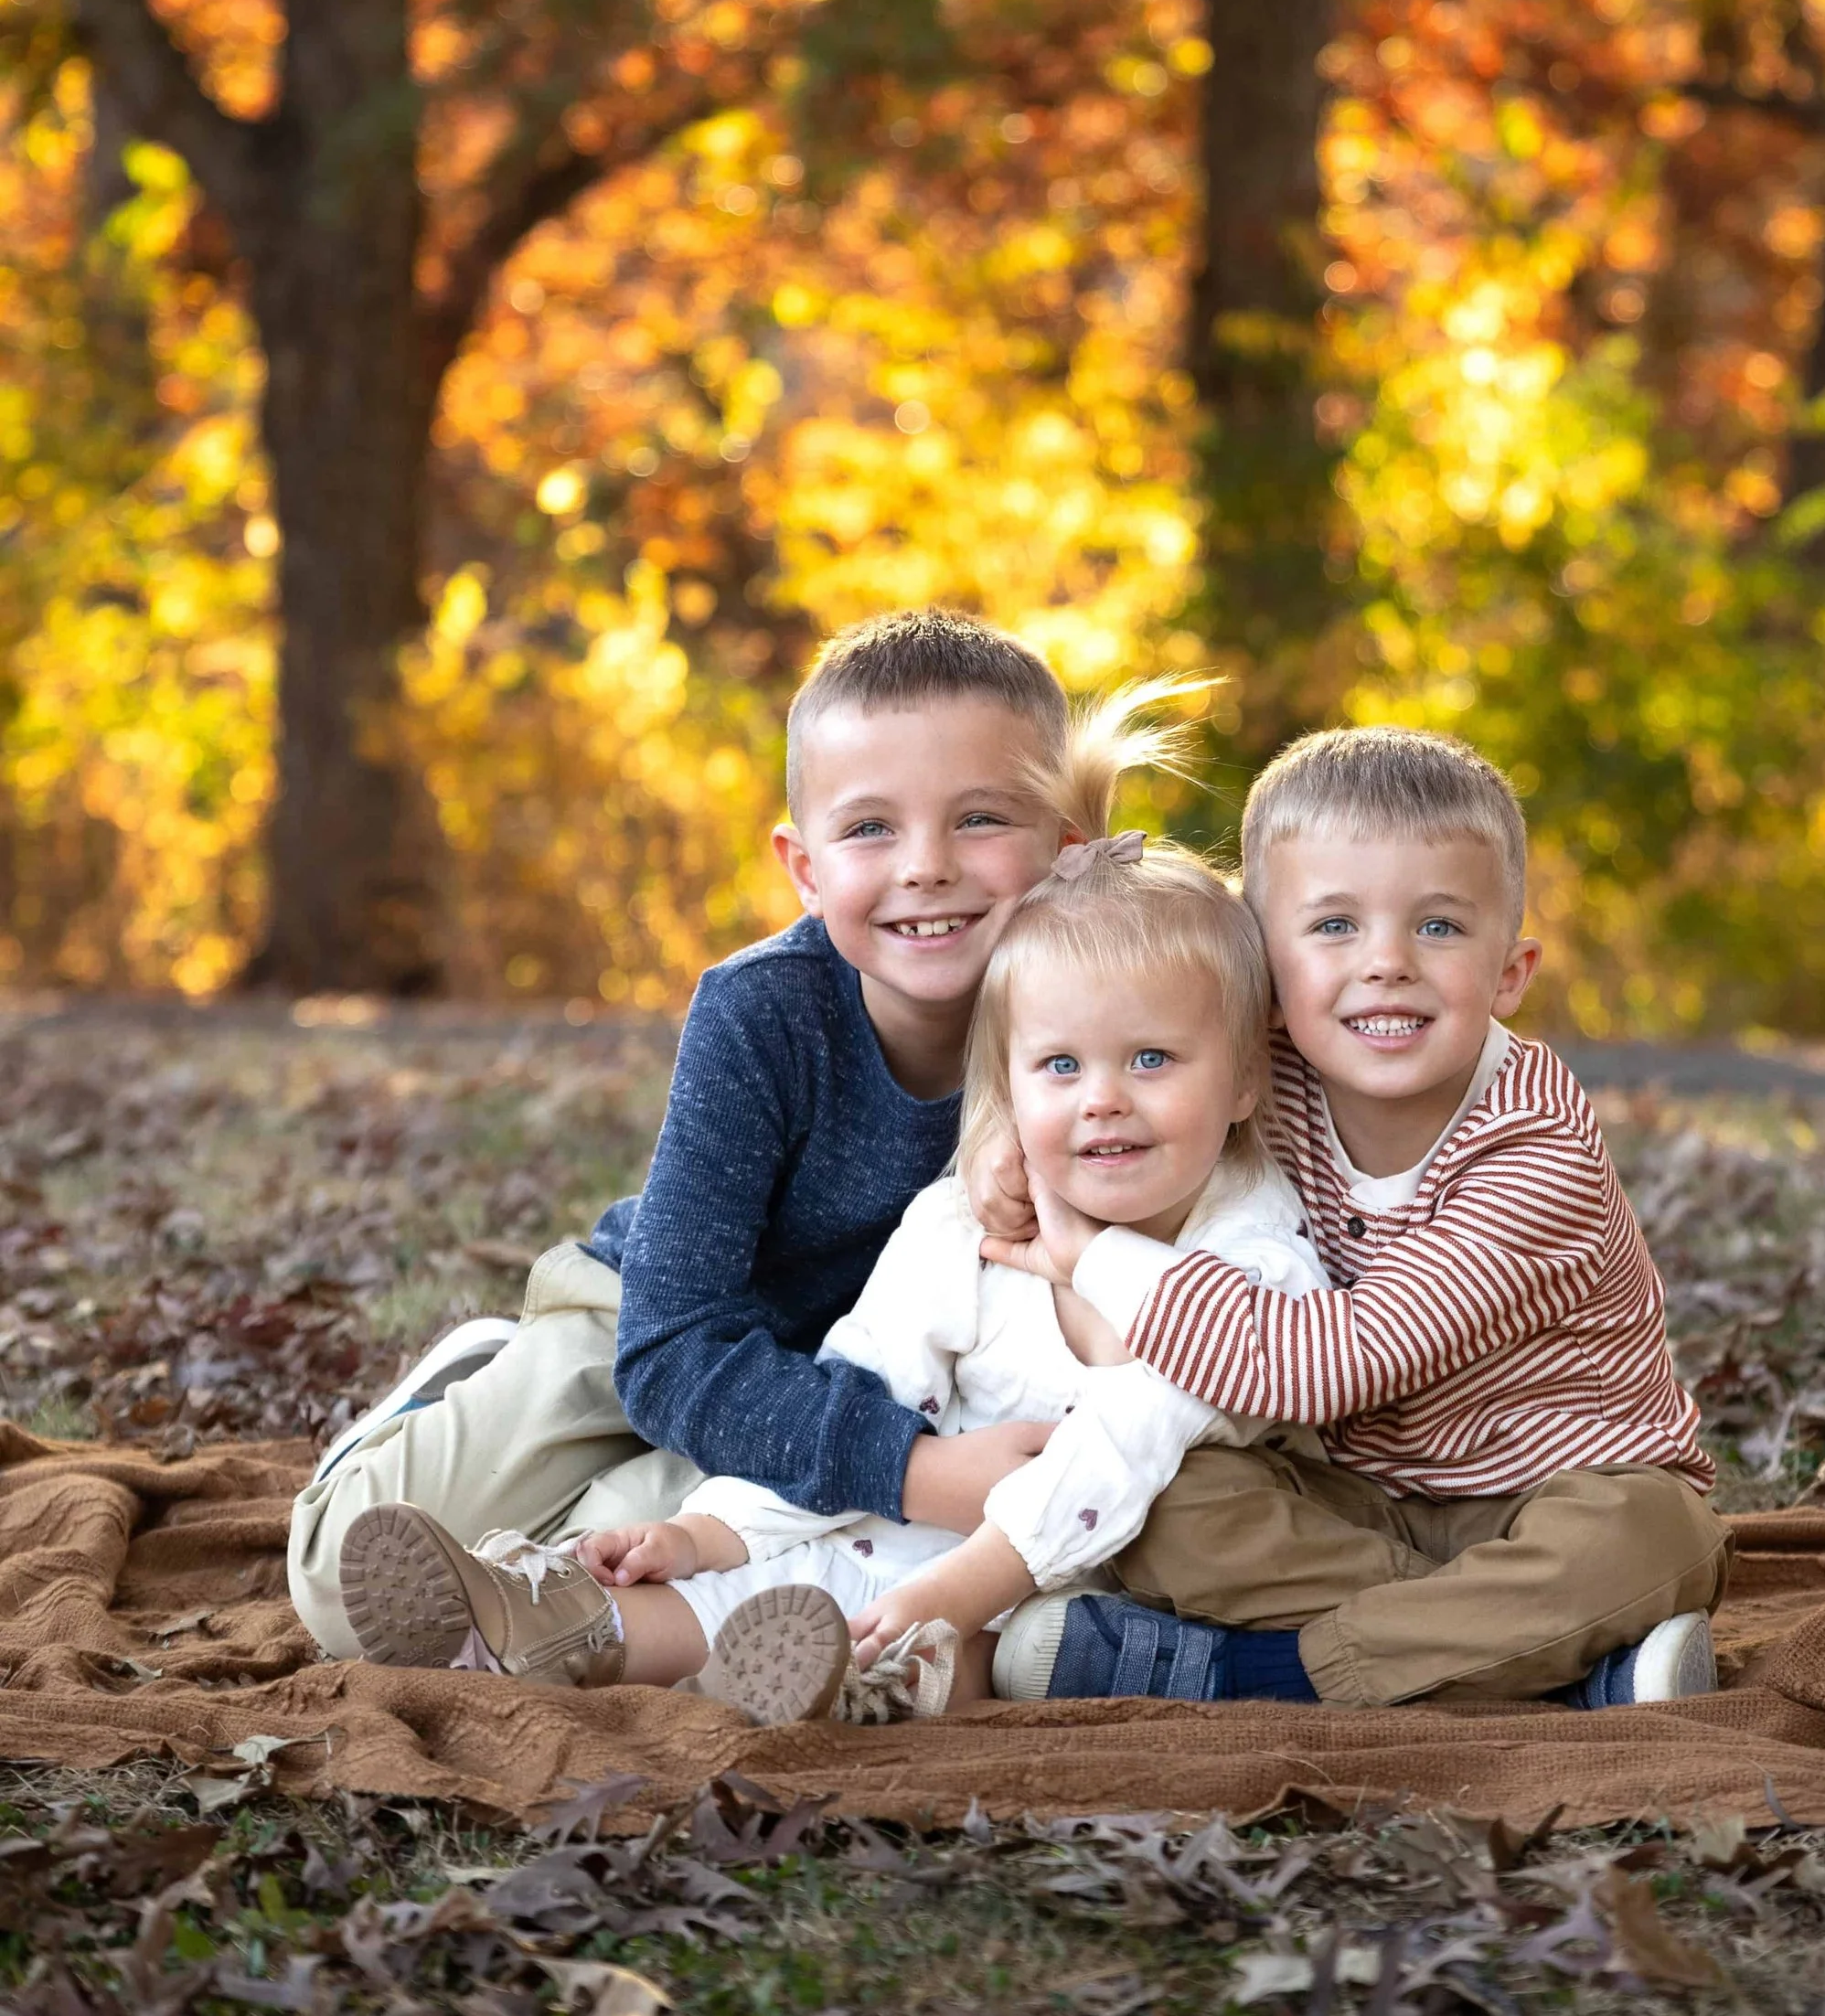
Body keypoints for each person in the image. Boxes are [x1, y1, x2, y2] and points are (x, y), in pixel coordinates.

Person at [335, 827, 1324, 1721]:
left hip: (1090, 1561)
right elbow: (863, 1385)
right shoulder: (964, 1222)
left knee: (966, 1632)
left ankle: (846, 1689)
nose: (1102, 1102)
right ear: (1008, 1084)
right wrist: (708, 1533)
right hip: (911, 1515)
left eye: (1151, 1059)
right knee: (777, 1569)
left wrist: (952, 1591)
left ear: (1242, 1078)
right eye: (1061, 1067)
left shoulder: (1248, 1268)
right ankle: (546, 1625)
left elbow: (1121, 1455)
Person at [291, 607, 1105, 1663]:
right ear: (804, 868)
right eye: (869, 829)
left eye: (981, 820)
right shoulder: (764, 1012)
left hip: (859, 1384)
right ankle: (461, 1390)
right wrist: (915, 1475)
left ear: (1067, 854)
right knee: (336, 1590)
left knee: (611, 1583)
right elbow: (674, 1344)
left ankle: (601, 1522)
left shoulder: (1109, 1024)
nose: (926, 867)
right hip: (649, 1329)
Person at [980, 725, 1729, 1711]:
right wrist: (1026, 1156)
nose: (1385, 963)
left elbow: (1332, 1363)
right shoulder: (1260, 1073)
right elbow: (1108, 1047)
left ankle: (1254, 1674)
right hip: (1349, 1506)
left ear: (1510, 971)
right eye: (1334, 926)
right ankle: (1555, 1666)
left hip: (1556, 1494)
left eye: (1439, 928)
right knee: (1168, 1501)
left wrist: (1092, 1256)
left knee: (1649, 1543)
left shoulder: (1532, 1151)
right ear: (1263, 967)